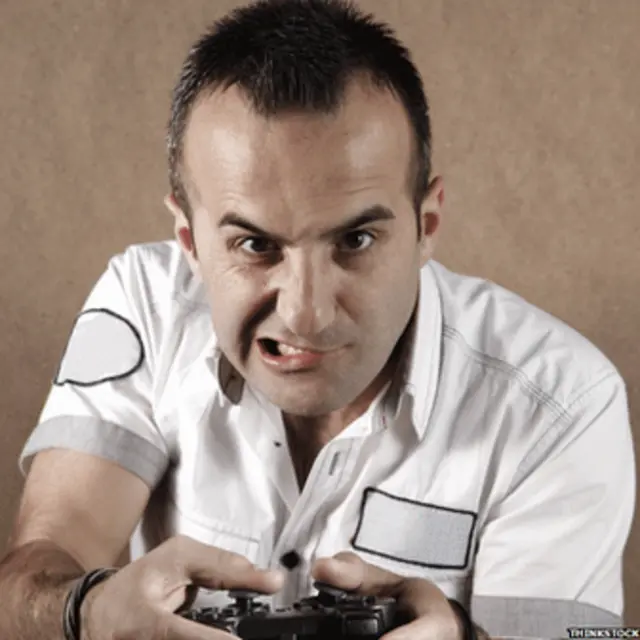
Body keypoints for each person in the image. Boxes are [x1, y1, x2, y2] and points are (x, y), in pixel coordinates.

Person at [0, 0, 635, 638]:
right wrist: (86, 610)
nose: (306, 313)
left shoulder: (564, 402)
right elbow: (27, 586)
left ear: (426, 225)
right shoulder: (146, 302)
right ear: (189, 242)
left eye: (356, 240)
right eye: (255, 245)